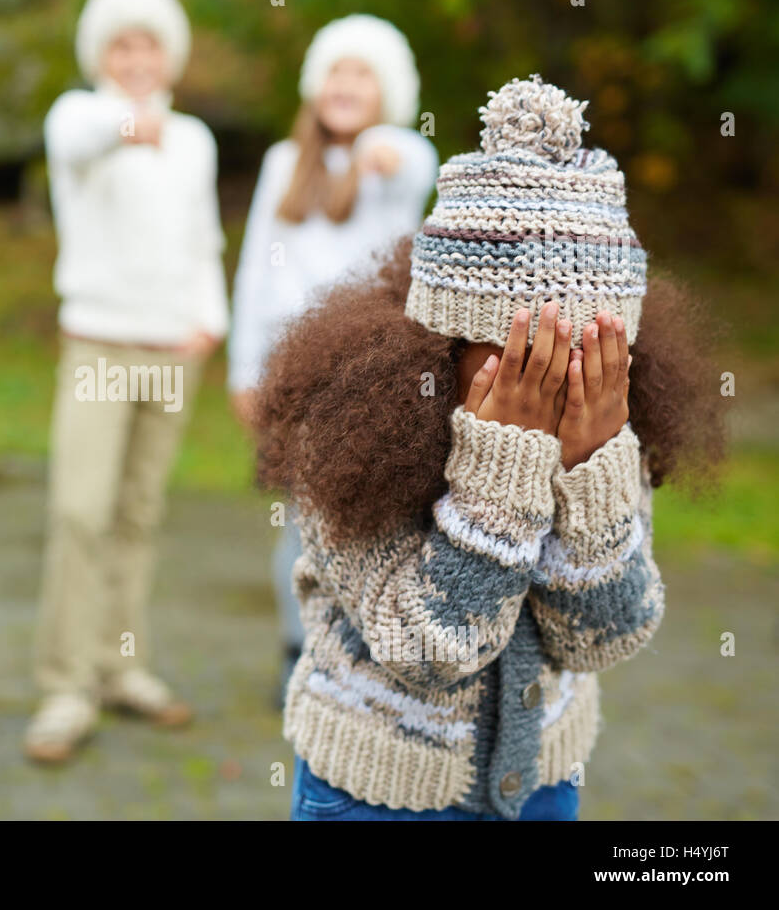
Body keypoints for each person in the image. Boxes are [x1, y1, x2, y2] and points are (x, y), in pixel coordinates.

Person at [255, 76, 728, 820]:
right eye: (521, 349)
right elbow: (428, 649)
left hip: (543, 785)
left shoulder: (603, 428)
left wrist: (592, 466)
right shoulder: (350, 433)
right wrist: (501, 473)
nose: (556, 376)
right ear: (441, 340)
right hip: (377, 793)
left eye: (584, 351)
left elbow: (606, 635)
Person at [25, 0, 229, 763]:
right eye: (122, 44)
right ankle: (64, 686)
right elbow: (84, 141)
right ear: (101, 53)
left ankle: (121, 665)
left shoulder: (196, 141)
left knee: (139, 514)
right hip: (99, 345)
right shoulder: (78, 117)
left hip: (171, 348)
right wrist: (125, 125)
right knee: (82, 511)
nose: (137, 57)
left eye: (150, 44)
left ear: (169, 55)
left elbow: (201, 239)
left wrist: (208, 322)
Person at [227, 16, 437, 704]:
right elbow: (257, 268)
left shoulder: (393, 161)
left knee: (367, 514)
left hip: (370, 376)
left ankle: (367, 645)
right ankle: (300, 646)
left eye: (363, 74)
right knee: (300, 519)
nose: (346, 86)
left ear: (386, 93)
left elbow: (411, 163)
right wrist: (243, 369)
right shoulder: (284, 167)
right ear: (314, 85)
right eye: (336, 72)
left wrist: (385, 149)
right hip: (294, 376)